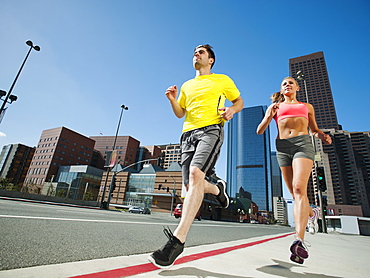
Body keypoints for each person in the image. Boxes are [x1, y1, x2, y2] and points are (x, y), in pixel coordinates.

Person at [148, 44, 244, 268]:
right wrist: (173, 99)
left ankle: (177, 241)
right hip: (187, 135)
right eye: (195, 52)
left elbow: (239, 101)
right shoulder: (187, 85)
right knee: (190, 188)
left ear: (211, 60)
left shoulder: (222, 80)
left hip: (211, 129)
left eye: (201, 52)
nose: (196, 54)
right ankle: (218, 189)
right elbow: (181, 113)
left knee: (195, 174)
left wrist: (231, 110)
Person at [256, 76, 332, 264]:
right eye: (284, 83)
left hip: (302, 145)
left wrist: (322, 136)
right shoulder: (275, 107)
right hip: (282, 147)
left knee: (299, 189)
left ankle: (300, 240)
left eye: (291, 82)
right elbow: (259, 130)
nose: (287, 85)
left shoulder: (307, 107)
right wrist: (268, 116)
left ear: (297, 87)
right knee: (293, 192)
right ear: (281, 90)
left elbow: (313, 129)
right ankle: (312, 214)